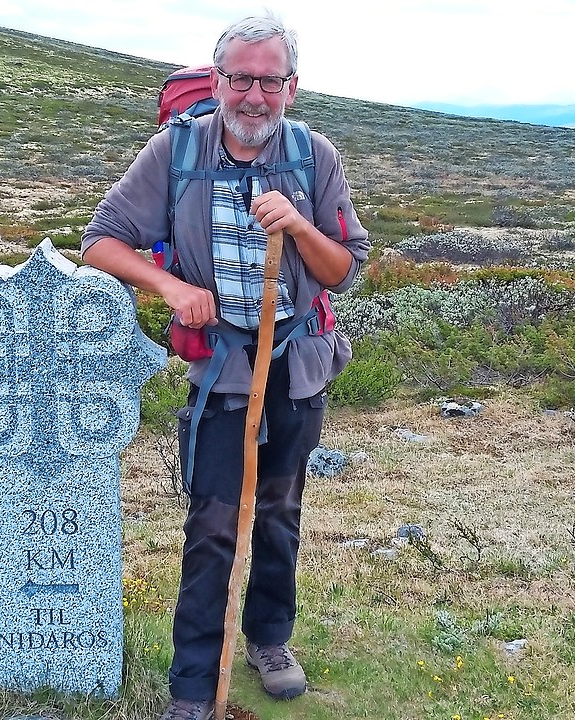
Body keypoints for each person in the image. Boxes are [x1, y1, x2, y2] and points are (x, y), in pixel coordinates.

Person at [81, 13, 369, 720]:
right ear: (217, 82)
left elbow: (344, 270)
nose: (253, 96)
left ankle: (270, 640)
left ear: (291, 88)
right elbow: (100, 242)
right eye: (240, 79)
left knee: (277, 510)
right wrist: (174, 290)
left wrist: (299, 225)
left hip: (295, 363)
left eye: (269, 81)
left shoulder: (313, 157)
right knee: (212, 520)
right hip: (223, 372)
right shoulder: (175, 152)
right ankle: (192, 682)